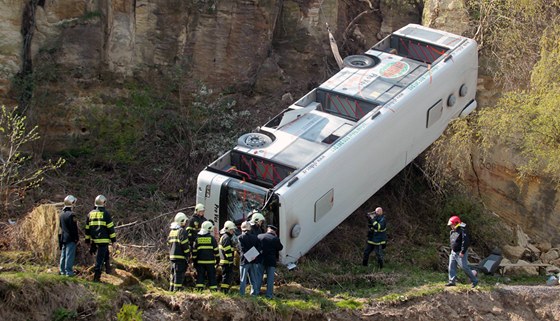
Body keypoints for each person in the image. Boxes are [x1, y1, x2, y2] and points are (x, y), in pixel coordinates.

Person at [85, 195, 116, 282]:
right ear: (104, 203)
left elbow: (87, 228)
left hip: (94, 240)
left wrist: (87, 240)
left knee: (105, 253)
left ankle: (107, 268)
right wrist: (114, 241)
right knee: (99, 259)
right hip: (103, 240)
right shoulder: (105, 214)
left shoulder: (90, 214)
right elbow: (110, 228)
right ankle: (96, 277)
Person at [446, 215, 479, 288]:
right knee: (451, 266)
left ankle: (474, 280)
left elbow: (466, 242)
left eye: (452, 225)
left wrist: (462, 251)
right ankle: (452, 281)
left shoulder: (462, 231)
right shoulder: (452, 232)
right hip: (453, 252)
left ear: (456, 223)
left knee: (464, 267)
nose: (451, 226)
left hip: (460, 252)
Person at [192, 220, 219, 291]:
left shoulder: (197, 239)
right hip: (210, 263)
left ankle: (199, 291)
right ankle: (214, 292)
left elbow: (194, 252)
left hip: (200, 263)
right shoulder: (212, 239)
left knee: (200, 277)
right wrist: (217, 260)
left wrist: (194, 261)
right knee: (212, 277)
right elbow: (216, 251)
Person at [258, 224, 284, 299]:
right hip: (271, 261)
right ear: (274, 232)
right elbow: (280, 248)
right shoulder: (275, 239)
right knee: (270, 278)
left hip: (261, 259)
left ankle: (256, 292)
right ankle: (269, 295)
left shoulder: (259, 236)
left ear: (267, 230)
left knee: (259, 276)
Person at [237, 221, 262, 296]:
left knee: (243, 279)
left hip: (244, 261)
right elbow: (259, 248)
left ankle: (242, 294)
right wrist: (253, 255)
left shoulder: (240, 237)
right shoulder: (255, 237)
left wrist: (248, 256)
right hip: (253, 260)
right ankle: (254, 293)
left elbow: (242, 249)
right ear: (249, 228)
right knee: (253, 278)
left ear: (242, 228)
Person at [168, 212, 190, 291]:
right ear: (182, 221)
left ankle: (171, 289)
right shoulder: (182, 231)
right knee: (178, 274)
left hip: (172, 257)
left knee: (172, 274)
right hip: (180, 257)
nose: (186, 223)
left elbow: (168, 243)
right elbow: (185, 245)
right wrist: (188, 254)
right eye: (185, 221)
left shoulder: (171, 231)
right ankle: (177, 290)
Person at [59, 195, 79, 276]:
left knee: (63, 255)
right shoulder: (72, 215)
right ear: (72, 203)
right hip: (70, 238)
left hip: (63, 237)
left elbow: (61, 226)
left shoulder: (61, 214)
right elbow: (74, 229)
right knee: (69, 255)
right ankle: (69, 272)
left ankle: (62, 271)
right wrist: (76, 238)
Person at [218, 220, 237, 293]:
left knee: (226, 276)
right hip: (226, 261)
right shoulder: (226, 238)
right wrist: (231, 260)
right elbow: (227, 250)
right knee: (226, 277)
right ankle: (224, 291)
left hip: (225, 261)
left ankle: (225, 290)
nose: (233, 231)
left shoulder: (225, 237)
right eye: (232, 230)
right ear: (228, 229)